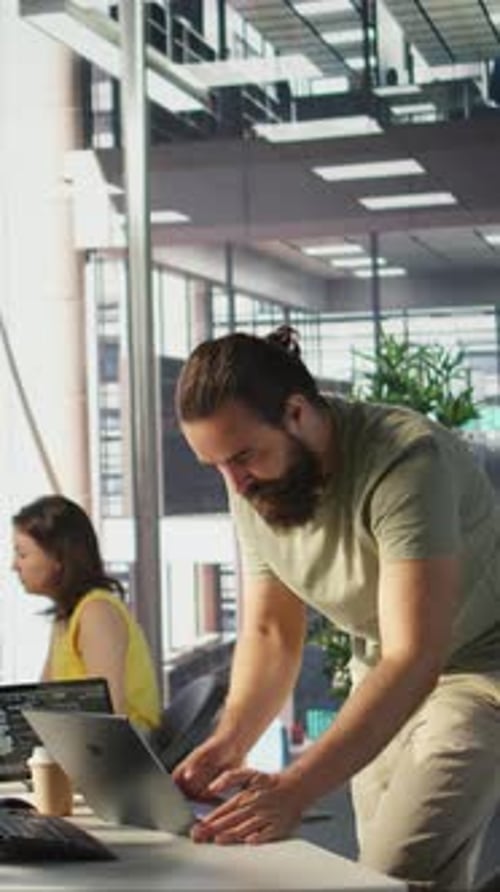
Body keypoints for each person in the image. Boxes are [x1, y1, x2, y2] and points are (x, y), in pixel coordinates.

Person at [173, 326, 500, 891]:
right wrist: (229, 743)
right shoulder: (251, 477)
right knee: (391, 879)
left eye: (243, 457)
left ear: (296, 412)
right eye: (217, 467)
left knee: (393, 872)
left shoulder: (404, 461)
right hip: (380, 668)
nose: (234, 483)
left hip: (477, 669)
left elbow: (416, 654)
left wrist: (296, 786)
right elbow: (273, 631)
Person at [12, 495, 161, 733]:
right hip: (84, 747)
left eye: (22, 554)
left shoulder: (97, 612)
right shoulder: (66, 617)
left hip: (120, 753)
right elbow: (42, 704)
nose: (14, 565)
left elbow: (109, 715)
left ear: (58, 557)